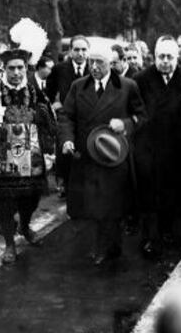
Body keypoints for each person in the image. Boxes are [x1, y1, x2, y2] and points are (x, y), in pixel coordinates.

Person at [58, 41, 147, 266]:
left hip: (113, 154)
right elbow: (66, 116)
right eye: (91, 62)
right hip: (87, 154)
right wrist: (67, 140)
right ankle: (101, 246)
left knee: (113, 204)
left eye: (99, 62)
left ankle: (109, 246)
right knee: (93, 204)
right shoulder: (78, 86)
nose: (94, 67)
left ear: (111, 63)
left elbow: (141, 117)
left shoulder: (127, 86)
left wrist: (125, 124)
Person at [0, 18, 55, 264]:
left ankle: (25, 225)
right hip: (1, 157)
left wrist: (48, 148)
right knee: (3, 202)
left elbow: (46, 119)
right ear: (4, 69)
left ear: (26, 68)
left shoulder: (34, 91)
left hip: (30, 155)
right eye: (11, 68)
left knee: (31, 198)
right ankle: (9, 243)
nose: (16, 73)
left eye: (20, 68)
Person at [133, 35, 181, 259]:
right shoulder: (141, 78)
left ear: (177, 57)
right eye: (161, 57)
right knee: (149, 195)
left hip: (178, 147)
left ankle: (168, 230)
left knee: (173, 192)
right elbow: (136, 112)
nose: (165, 61)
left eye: (170, 57)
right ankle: (150, 237)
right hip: (150, 146)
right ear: (154, 56)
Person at [46, 35, 90, 198]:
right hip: (67, 118)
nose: (80, 53)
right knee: (66, 153)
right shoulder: (60, 69)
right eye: (76, 49)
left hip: (88, 119)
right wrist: (54, 106)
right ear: (70, 51)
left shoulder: (94, 68)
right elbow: (49, 93)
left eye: (84, 50)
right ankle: (66, 184)